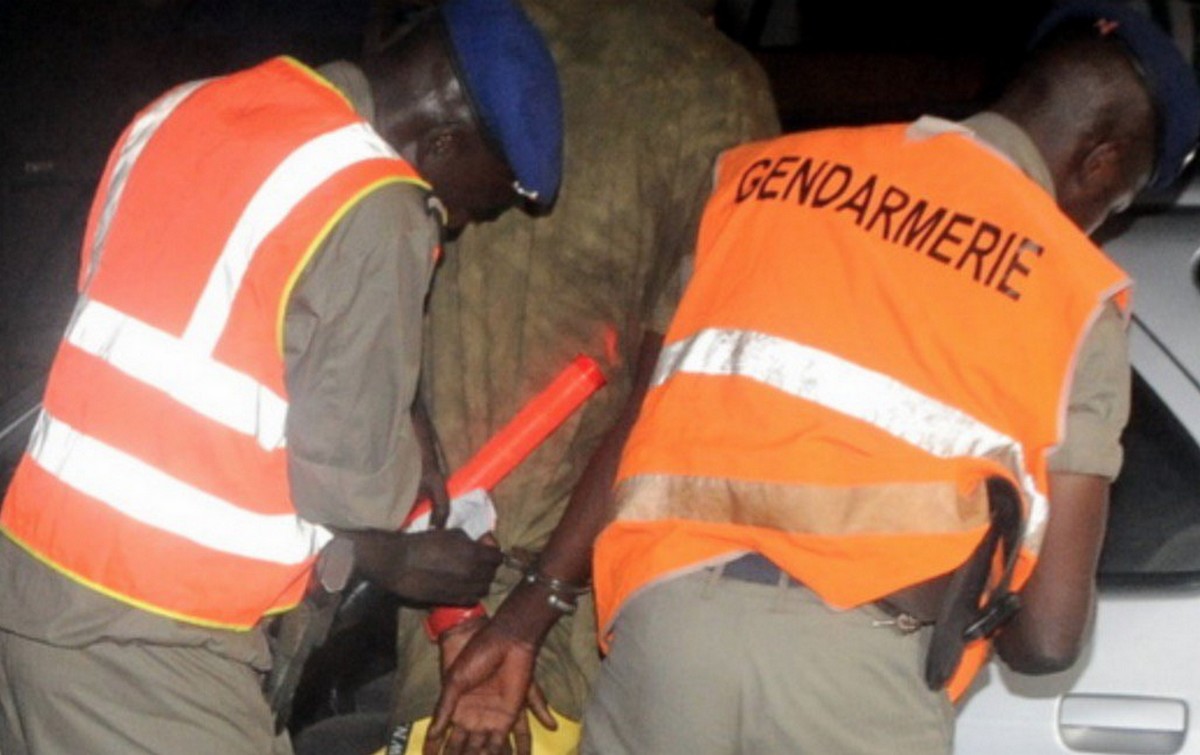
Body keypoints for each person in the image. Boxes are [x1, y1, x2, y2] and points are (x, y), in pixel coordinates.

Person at [581, 1, 1200, 753]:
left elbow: (638, 414)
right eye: (1121, 200)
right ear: (1100, 162)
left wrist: (538, 599)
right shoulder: (1068, 289)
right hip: (851, 683)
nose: (1103, 221)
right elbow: (1048, 637)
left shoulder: (760, 181)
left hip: (663, 641)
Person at [0, 0, 562, 753]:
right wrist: (407, 547)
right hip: (155, 639)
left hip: (34, 590)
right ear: (444, 139)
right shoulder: (380, 205)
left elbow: (189, 368)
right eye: (466, 206)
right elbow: (352, 487)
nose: (453, 227)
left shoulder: (183, 110)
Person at [357, 1, 779, 753]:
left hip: (429, 571)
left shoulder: (453, 43)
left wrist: (456, 616)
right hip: (578, 596)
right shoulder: (713, 88)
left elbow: (370, 353)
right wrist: (531, 609)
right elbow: (676, 395)